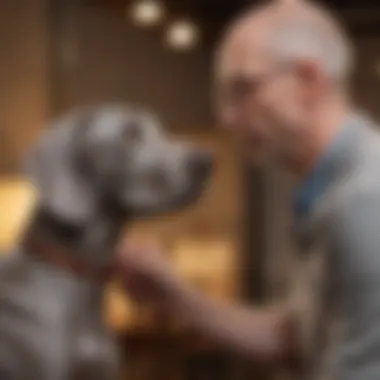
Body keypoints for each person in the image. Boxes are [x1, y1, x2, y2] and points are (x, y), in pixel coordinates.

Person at [116, 1, 380, 379]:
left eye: (243, 88)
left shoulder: (365, 202)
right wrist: (172, 294)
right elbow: (294, 340)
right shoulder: (331, 193)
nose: (226, 116)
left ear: (307, 82)